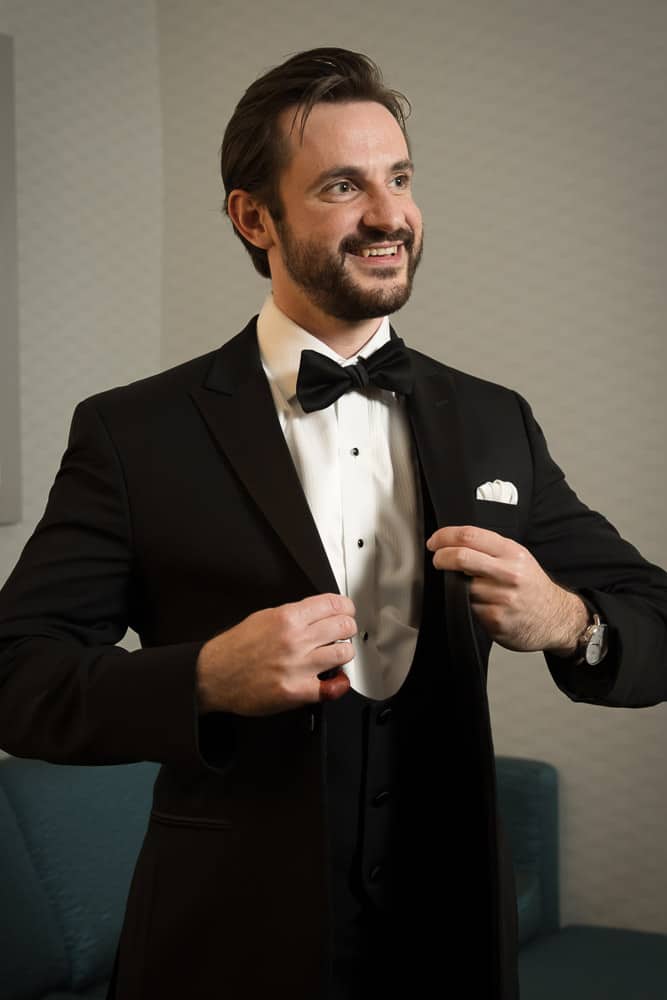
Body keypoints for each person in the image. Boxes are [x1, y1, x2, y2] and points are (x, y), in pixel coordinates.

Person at [0, 46, 666, 1000]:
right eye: (343, 187)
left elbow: (654, 620)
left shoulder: (493, 420)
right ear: (253, 216)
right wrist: (200, 679)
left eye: (399, 179)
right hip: (227, 942)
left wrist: (565, 620)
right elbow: (16, 674)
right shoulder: (132, 432)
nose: (390, 215)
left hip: (450, 942)